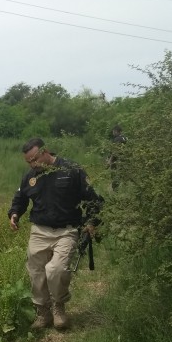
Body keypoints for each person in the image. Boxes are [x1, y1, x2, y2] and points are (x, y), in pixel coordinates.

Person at [7, 137, 103, 330]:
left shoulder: (71, 170)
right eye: (29, 162)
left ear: (45, 151)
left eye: (35, 159)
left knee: (56, 270)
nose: (33, 164)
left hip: (66, 230)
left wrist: (92, 221)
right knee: (36, 272)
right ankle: (43, 313)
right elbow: (21, 198)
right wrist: (15, 213)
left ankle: (59, 306)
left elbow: (93, 200)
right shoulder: (30, 177)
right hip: (39, 230)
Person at [107, 125, 127, 189]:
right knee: (122, 175)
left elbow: (115, 151)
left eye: (113, 131)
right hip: (124, 160)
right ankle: (124, 188)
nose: (113, 132)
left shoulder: (117, 139)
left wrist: (110, 160)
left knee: (114, 176)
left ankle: (115, 191)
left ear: (116, 131)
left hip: (116, 160)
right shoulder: (125, 138)